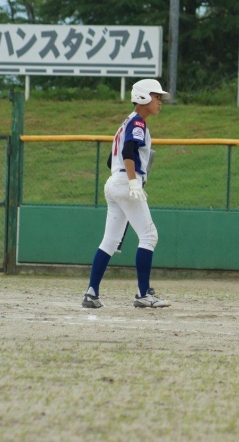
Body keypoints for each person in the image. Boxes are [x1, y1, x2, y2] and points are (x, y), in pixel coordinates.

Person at [82, 79, 171, 309]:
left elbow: (111, 160)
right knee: (149, 236)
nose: (160, 101)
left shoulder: (127, 122)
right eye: (156, 96)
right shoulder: (138, 122)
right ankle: (143, 294)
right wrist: (133, 182)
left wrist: (126, 178)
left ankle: (91, 293)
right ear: (143, 97)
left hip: (114, 182)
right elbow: (128, 151)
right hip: (125, 182)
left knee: (110, 240)